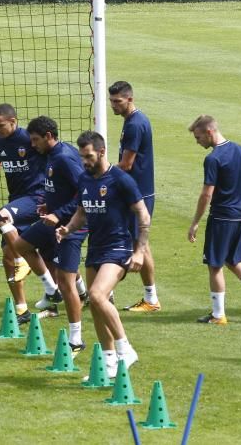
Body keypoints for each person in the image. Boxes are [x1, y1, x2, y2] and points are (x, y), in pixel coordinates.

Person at [56, 131, 148, 380]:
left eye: (88, 156)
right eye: (82, 156)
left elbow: (143, 214)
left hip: (119, 247)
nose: (84, 161)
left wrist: (139, 251)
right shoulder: (85, 179)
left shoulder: (120, 180)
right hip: (95, 248)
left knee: (96, 295)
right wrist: (68, 228)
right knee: (97, 307)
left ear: (102, 151)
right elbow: (82, 212)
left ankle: (125, 349)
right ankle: (108, 363)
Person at [0, 116, 88, 349]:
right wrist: (48, 204)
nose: (32, 145)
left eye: (35, 140)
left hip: (69, 226)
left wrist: (59, 213)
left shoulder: (64, 157)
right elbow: (59, 187)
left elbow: (84, 192)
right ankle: (54, 292)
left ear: (48, 136)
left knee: (65, 281)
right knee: (21, 246)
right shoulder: (51, 155)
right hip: (51, 220)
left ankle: (76, 338)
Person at [187, 115, 241, 324]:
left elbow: (207, 194)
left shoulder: (213, 159)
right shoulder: (240, 149)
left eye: (198, 137)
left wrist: (195, 222)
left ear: (209, 132)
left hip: (221, 218)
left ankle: (218, 315)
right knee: (233, 260)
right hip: (240, 217)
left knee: (215, 265)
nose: (197, 142)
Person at [0, 104, 48, 324]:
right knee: (7, 256)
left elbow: (49, 156)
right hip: (17, 200)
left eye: (1, 125)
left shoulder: (29, 140)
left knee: (0, 218)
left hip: (36, 197)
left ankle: (68, 291)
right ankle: (22, 310)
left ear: (13, 121)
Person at [108, 81, 160, 313]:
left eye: (117, 101)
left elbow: (127, 164)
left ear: (130, 99)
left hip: (137, 194)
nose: (113, 105)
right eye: (111, 101)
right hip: (137, 191)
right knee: (138, 244)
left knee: (139, 245)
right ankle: (149, 297)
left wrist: (104, 174)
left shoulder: (135, 125)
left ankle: (149, 298)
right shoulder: (134, 121)